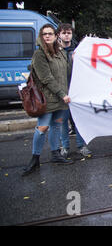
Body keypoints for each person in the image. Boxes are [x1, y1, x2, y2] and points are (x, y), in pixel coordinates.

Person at [22, 24, 73, 176]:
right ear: (41, 36)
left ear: (55, 35)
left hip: (61, 99)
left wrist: (74, 60)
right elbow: (46, 78)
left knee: (56, 126)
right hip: (47, 99)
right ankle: (35, 158)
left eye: (50, 33)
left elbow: (67, 73)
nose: (48, 36)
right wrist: (62, 93)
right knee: (42, 128)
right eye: (45, 34)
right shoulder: (39, 54)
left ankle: (55, 154)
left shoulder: (61, 53)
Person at [57, 23, 92, 158]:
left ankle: (81, 146)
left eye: (69, 33)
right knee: (63, 122)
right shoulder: (55, 51)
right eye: (64, 33)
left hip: (76, 91)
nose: (67, 35)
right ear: (59, 34)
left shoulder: (78, 51)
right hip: (61, 92)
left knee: (79, 121)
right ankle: (64, 147)